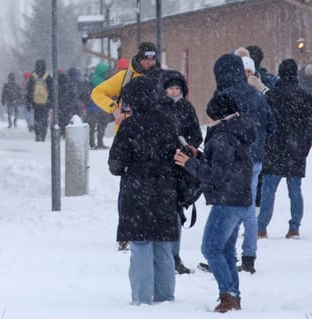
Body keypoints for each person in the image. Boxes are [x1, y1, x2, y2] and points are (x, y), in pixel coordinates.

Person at [174, 91, 254, 313]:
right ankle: (233, 295)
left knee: (210, 248)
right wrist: (198, 156)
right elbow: (225, 165)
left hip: (226, 199)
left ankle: (227, 294)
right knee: (226, 248)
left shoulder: (221, 138)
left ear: (218, 115)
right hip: (240, 198)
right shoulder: (238, 131)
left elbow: (217, 175)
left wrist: (189, 163)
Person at [108, 75, 180, 305]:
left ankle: (141, 299)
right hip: (165, 189)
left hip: (137, 191)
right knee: (163, 244)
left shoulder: (129, 126)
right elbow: (177, 156)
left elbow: (115, 165)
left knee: (140, 244)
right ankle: (165, 296)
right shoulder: (169, 122)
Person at [213, 53, 277, 274]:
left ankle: (228, 254)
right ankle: (246, 254)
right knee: (247, 205)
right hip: (255, 157)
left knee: (232, 205)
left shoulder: (225, 95)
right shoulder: (256, 94)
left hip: (231, 157)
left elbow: (216, 126)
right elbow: (272, 125)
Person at [258, 59, 312, 239]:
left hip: (274, 150)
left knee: (268, 190)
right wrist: (303, 148)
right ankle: (294, 227)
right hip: (296, 150)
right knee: (295, 190)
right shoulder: (304, 96)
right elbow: (311, 126)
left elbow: (264, 124)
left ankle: (261, 227)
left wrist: (266, 144)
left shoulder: (271, 96)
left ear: (280, 74)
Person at [158, 70, 203, 275]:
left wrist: (190, 146)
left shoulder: (186, 108)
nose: (174, 92)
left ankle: (174, 254)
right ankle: (168, 254)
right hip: (164, 164)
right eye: (170, 89)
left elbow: (196, 133)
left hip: (182, 164)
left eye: (177, 88)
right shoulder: (159, 109)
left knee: (177, 210)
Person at [91, 42, 161, 134]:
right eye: (146, 59)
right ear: (139, 59)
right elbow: (97, 92)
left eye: (153, 60)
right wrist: (114, 109)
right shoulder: (126, 77)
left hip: (155, 135)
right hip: (127, 135)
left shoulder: (162, 78)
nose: (149, 63)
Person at [25, 59, 54, 142]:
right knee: (44, 118)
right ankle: (43, 134)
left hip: (35, 101)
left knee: (37, 118)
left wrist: (28, 102)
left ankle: (38, 134)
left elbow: (29, 90)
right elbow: (51, 90)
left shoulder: (33, 76)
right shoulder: (48, 76)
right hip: (45, 102)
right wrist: (51, 101)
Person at [85, 62, 112, 149]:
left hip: (92, 107)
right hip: (102, 106)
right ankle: (100, 142)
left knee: (92, 127)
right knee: (102, 125)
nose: (107, 73)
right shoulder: (104, 81)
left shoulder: (91, 80)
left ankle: (92, 143)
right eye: (106, 71)